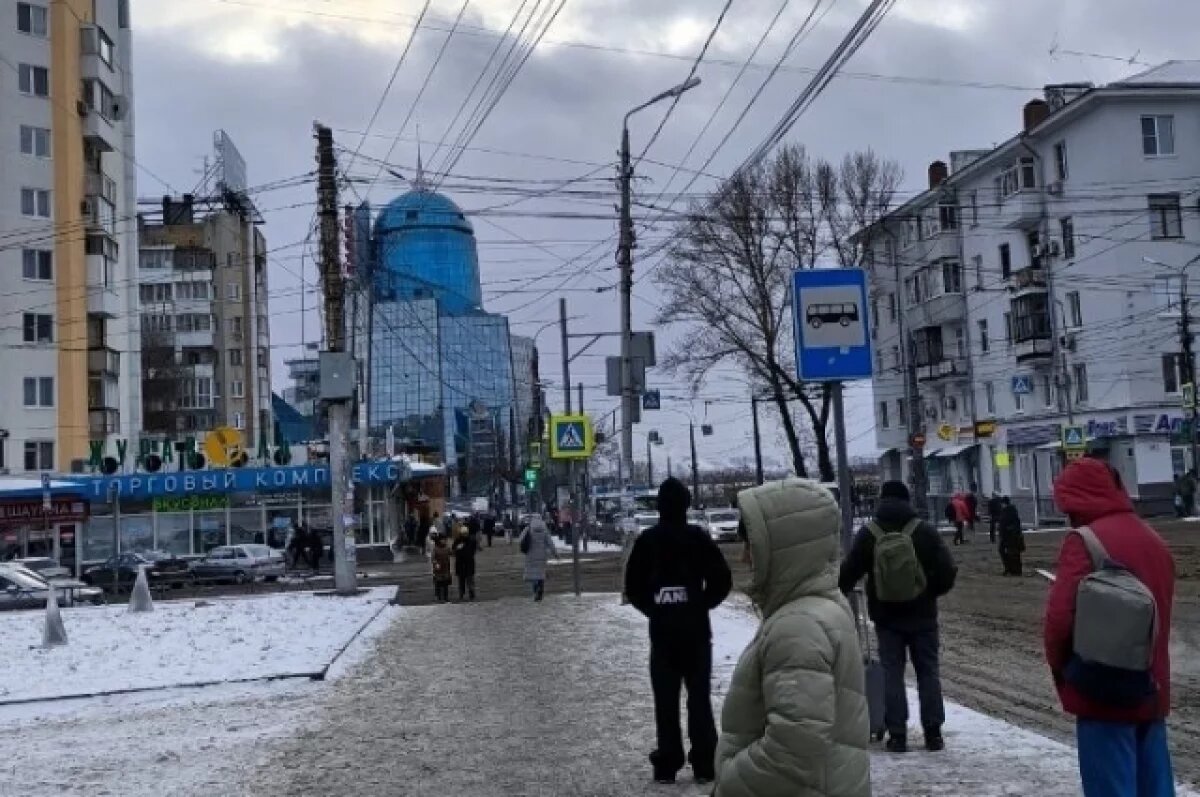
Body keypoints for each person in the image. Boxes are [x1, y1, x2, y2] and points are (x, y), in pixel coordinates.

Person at [715, 479, 870, 797]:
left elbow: (795, 746)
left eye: (752, 547)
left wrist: (731, 784)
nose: (745, 558)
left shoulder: (799, 627)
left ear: (782, 548)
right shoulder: (818, 610)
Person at [1045, 457, 1176, 797]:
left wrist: (1065, 671)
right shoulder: (1155, 541)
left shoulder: (1084, 541)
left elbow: (1059, 622)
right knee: (1156, 788)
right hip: (1151, 689)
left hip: (1103, 692)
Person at [625, 478, 732, 785]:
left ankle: (667, 763)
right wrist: (699, 604)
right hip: (696, 634)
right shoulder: (697, 538)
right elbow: (722, 580)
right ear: (686, 505)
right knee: (699, 699)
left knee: (665, 701)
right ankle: (704, 764)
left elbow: (633, 587)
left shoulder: (649, 540)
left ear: (659, 506)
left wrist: (656, 609)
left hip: (663, 636)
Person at [839, 479, 958, 754]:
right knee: (928, 672)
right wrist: (929, 592)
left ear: (882, 500)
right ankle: (933, 733)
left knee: (892, 673)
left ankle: (897, 735)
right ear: (907, 500)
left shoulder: (870, 533)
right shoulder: (924, 531)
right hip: (923, 616)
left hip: (886, 617)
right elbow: (948, 571)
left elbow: (849, 572)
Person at [518, 517, 558, 601]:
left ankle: (536, 589)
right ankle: (540, 591)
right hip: (542, 555)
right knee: (540, 574)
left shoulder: (528, 529)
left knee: (533, 574)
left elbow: (520, 539)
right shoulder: (544, 530)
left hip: (531, 555)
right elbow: (550, 543)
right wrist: (555, 554)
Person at [997, 498, 1025, 576]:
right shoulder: (1010, 511)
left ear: (1004, 503)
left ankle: (1012, 570)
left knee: (1011, 553)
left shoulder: (1008, 512)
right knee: (1011, 553)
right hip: (1009, 536)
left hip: (1010, 536)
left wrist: (1006, 531)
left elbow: (1008, 524)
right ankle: (1012, 570)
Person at [451, 525, 478, 601]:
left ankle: (471, 593)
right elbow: (453, 551)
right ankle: (461, 594)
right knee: (461, 581)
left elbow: (473, 551)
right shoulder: (457, 541)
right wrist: (457, 549)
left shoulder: (472, 541)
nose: (465, 535)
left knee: (470, 580)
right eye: (463, 533)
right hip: (460, 564)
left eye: (466, 533)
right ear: (461, 533)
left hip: (469, 563)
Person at [429, 532, 452, 603]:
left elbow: (452, 553)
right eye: (443, 539)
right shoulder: (435, 549)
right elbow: (433, 558)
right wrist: (435, 563)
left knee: (445, 584)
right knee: (438, 583)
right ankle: (439, 597)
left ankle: (446, 597)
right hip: (438, 569)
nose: (444, 541)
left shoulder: (447, 547)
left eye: (445, 539)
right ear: (439, 540)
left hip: (446, 569)